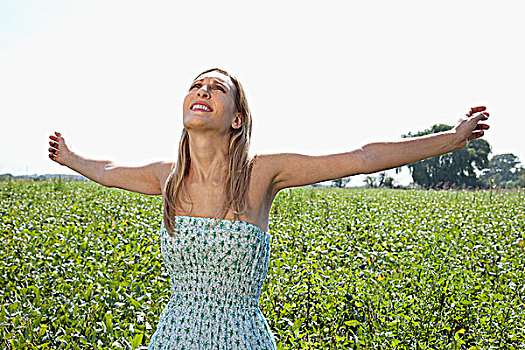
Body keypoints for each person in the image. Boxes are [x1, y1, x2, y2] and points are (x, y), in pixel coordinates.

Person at [48, 67, 490, 349]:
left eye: (217, 88)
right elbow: (108, 169)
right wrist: (70, 158)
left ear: (236, 118)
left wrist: (449, 140)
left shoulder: (263, 173)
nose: (202, 91)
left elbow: (363, 157)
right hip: (174, 337)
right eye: (196, 85)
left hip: (241, 337)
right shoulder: (166, 178)